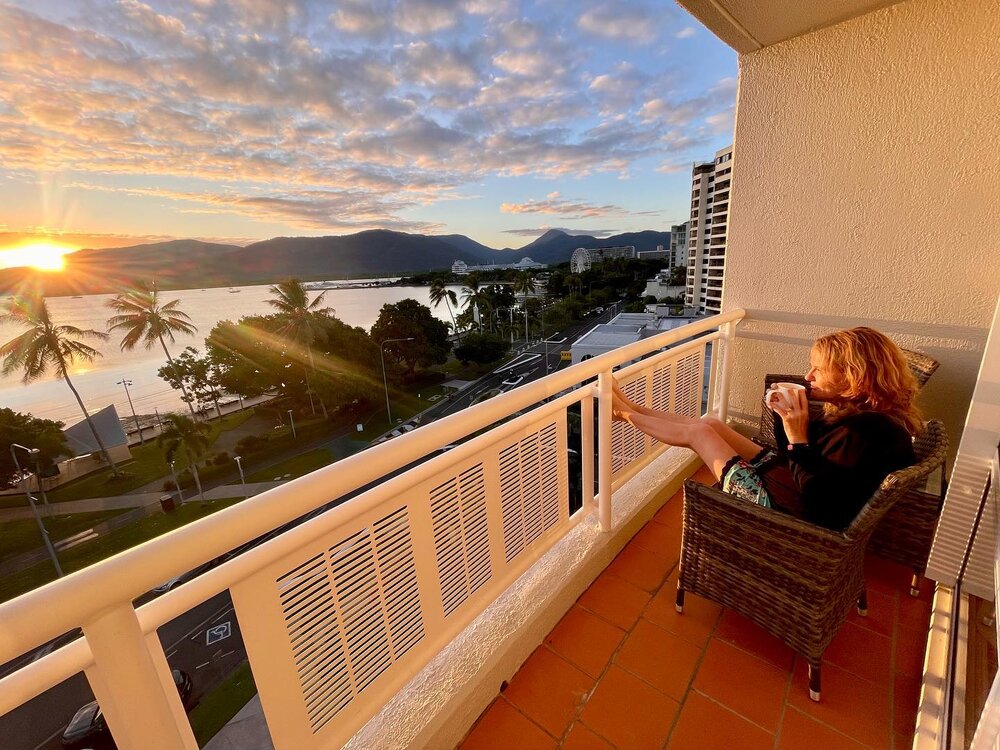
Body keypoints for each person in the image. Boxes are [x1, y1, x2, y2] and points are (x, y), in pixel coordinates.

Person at [611, 327, 921, 531]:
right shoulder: (868, 411)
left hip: (793, 514)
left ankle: (622, 414)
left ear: (855, 377)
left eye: (819, 370)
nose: (808, 376)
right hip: (794, 481)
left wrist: (797, 435)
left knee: (699, 434)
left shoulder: (867, 431)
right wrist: (784, 416)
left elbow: (819, 499)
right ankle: (633, 408)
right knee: (711, 424)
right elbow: (805, 458)